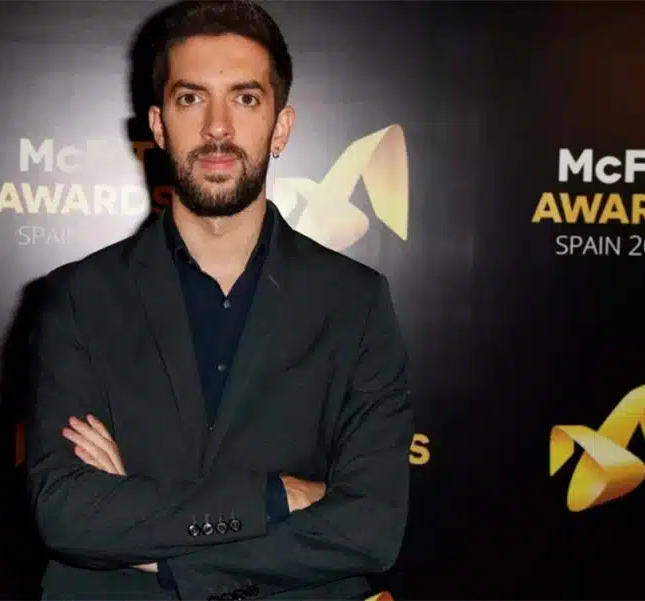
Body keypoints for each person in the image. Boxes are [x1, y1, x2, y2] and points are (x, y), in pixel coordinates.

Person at [23, 1, 414, 599]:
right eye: (191, 98)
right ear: (158, 126)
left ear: (280, 127)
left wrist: (166, 558)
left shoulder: (356, 302)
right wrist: (273, 498)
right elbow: (68, 515)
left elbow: (370, 529)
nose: (217, 128)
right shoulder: (77, 297)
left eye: (245, 98)